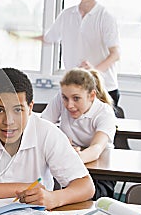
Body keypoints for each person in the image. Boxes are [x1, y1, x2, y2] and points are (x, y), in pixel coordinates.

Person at [0, 67, 95, 210]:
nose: (9, 121)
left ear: (30, 108)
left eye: (18, 110)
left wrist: (55, 198)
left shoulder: (47, 132)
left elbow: (86, 186)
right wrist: (23, 188)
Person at [34, 0, 120, 106]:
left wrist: (93, 71)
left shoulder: (105, 17)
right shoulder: (67, 15)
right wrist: (22, 37)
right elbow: (48, 38)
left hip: (103, 89)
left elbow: (115, 54)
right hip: (75, 89)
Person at [41, 68, 116, 199]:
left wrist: (72, 157)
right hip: (70, 164)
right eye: (65, 98)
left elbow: (96, 149)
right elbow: (41, 126)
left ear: (92, 96)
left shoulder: (105, 113)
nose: (69, 105)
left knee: (86, 200)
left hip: (99, 173)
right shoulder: (60, 98)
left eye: (76, 98)